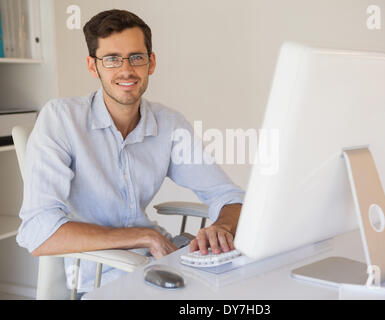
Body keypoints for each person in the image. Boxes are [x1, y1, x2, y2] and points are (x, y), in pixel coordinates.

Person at [16, 9, 244, 292]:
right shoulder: (61, 120)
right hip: (101, 278)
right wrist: (143, 236)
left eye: (136, 57)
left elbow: (229, 196)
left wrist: (221, 226)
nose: (126, 70)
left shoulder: (169, 124)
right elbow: (38, 232)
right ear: (92, 66)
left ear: (151, 62)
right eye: (111, 59)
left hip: (161, 262)